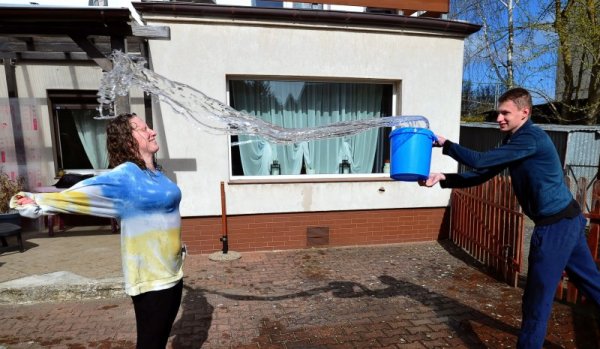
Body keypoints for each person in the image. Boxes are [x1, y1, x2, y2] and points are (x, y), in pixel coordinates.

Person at [419, 87, 600, 348]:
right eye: (498, 113)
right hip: (569, 219)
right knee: (591, 284)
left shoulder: (531, 139)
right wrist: (445, 178)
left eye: (505, 113)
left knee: (536, 301)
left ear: (524, 113)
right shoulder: (516, 141)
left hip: (555, 227)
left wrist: (446, 145)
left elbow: (480, 161)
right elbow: (484, 173)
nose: (499, 118)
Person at [10, 113, 185, 349]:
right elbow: (80, 193)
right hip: (151, 280)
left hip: (173, 272)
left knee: (159, 341)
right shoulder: (126, 176)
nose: (152, 131)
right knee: (151, 344)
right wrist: (36, 202)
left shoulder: (155, 173)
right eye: (143, 129)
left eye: (149, 127)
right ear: (127, 139)